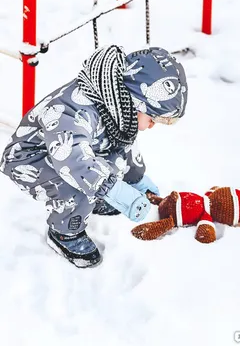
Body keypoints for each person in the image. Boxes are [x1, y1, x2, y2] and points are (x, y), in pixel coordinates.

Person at [0, 45, 188, 268]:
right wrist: (113, 190)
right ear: (135, 101)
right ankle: (65, 233)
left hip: (72, 155)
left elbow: (121, 146)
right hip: (31, 159)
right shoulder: (74, 112)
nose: (152, 126)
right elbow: (74, 162)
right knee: (81, 186)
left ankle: (96, 200)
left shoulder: (117, 107)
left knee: (111, 166)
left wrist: (136, 179)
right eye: (153, 119)